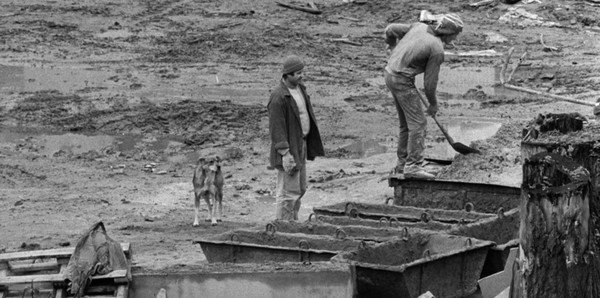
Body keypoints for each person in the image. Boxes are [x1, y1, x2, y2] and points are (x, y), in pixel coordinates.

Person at [384, 12, 463, 179]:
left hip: (389, 73)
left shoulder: (419, 26)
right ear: (447, 32)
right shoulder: (437, 49)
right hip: (402, 80)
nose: (455, 39)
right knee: (418, 124)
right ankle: (413, 166)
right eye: (455, 35)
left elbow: (390, 29)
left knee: (407, 124)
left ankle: (401, 165)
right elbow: (429, 84)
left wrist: (391, 47)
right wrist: (433, 104)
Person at [268, 55, 324, 220]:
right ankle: (283, 227)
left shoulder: (300, 89)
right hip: (289, 150)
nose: (301, 76)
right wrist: (285, 153)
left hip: (301, 145)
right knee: (288, 192)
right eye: (298, 73)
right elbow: (276, 129)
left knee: (300, 188)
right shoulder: (278, 97)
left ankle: (292, 221)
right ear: (287, 75)